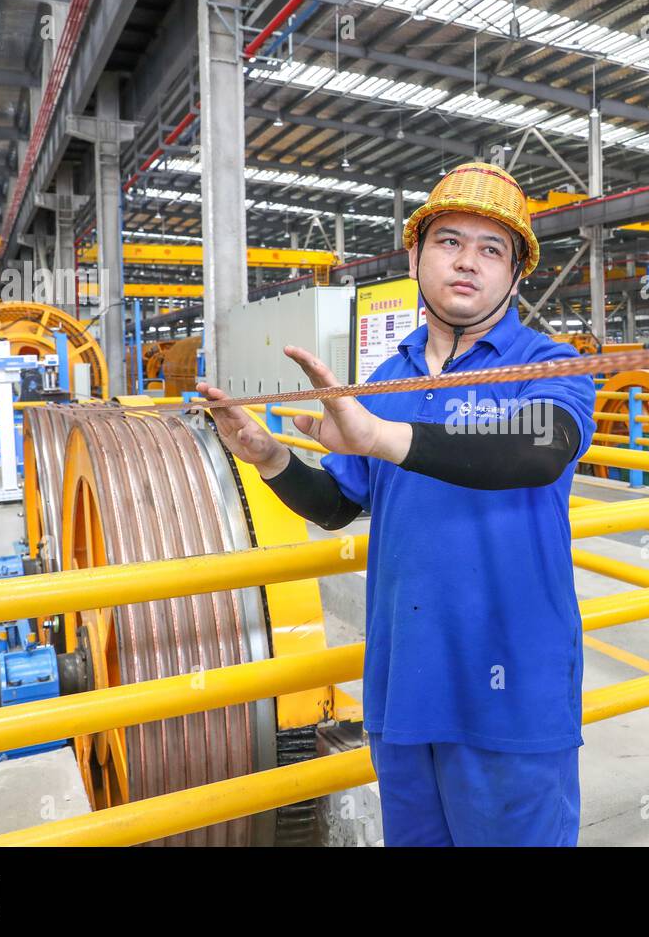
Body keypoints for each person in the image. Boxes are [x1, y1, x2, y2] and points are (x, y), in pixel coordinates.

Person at [198, 161, 595, 846]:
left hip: (511, 695)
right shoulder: (387, 378)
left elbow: (540, 448)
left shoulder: (550, 362)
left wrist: (382, 435)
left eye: (491, 248)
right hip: (404, 690)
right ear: (414, 254)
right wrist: (271, 460)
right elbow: (337, 503)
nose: (468, 261)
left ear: (516, 272)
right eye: (449, 241)